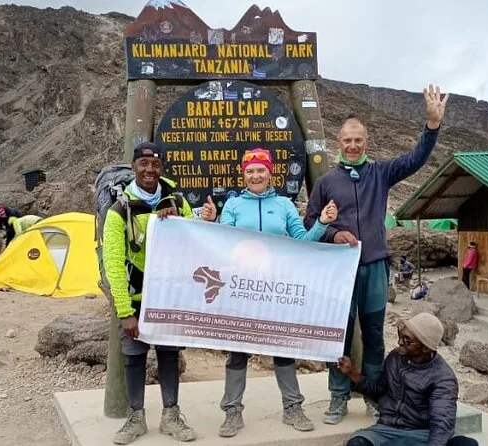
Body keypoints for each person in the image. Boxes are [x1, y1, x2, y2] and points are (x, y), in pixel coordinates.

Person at [304, 85, 449, 424]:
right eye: (347, 140)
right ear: (339, 142)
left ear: (365, 142)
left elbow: (415, 159)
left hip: (374, 266)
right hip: (339, 270)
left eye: (358, 140)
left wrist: (432, 126)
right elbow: (310, 220)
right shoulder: (326, 182)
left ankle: (372, 394)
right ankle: (338, 396)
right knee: (338, 335)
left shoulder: (381, 173)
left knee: (373, 336)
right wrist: (333, 233)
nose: (353, 145)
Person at [200, 147, 338, 438]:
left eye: (261, 170)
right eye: (250, 171)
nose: (255, 175)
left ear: (270, 173)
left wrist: (322, 223)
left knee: (282, 348)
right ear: (244, 175)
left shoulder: (284, 205)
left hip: (275, 289)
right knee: (238, 352)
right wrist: (210, 223)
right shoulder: (234, 205)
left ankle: (292, 407)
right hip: (242, 290)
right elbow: (223, 242)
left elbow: (302, 241)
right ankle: (232, 411)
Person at [103, 142, 197, 445]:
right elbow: (113, 264)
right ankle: (136, 417)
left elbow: (196, 240)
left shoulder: (177, 201)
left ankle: (171, 415)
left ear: (162, 168)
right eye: (143, 164)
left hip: (168, 297)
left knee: (169, 355)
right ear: (134, 167)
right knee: (134, 358)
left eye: (155, 164)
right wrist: (124, 312)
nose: (149, 170)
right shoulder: (119, 211)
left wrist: (181, 220)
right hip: (136, 300)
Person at [337, 312, 478, 446]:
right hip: (388, 430)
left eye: (407, 340)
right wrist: (352, 373)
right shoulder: (395, 357)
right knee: (357, 443)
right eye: (400, 335)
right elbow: (379, 391)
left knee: (465, 444)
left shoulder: (443, 378)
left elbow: (442, 425)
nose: (399, 342)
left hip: (423, 432)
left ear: (425, 348)